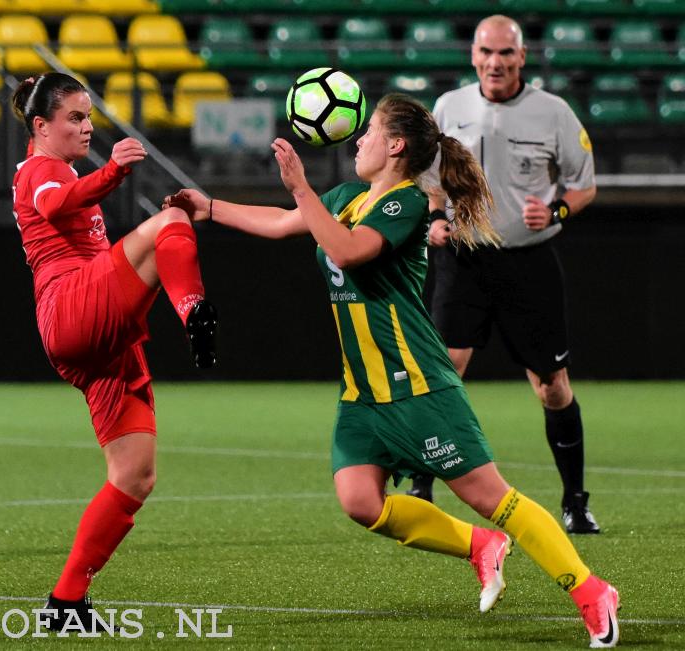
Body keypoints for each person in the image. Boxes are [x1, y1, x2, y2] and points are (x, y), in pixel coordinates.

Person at [164, 94, 619, 647]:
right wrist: (208, 207)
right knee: (360, 501)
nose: (358, 141)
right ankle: (479, 547)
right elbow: (287, 223)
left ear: (395, 146)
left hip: (418, 387)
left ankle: (592, 591)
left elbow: (350, 250)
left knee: (494, 497)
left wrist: (303, 190)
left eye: (370, 133)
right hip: (362, 394)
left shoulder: (405, 203)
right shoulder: (350, 195)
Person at [10, 72, 218, 629]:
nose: (86, 126)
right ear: (40, 125)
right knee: (170, 223)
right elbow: (57, 207)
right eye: (75, 117)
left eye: (88, 116)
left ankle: (66, 604)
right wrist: (115, 170)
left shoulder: (60, 167)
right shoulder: (41, 169)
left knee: (134, 475)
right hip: (70, 307)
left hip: (95, 334)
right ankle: (193, 310)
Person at [407, 15, 600, 536]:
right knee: (444, 368)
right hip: (463, 261)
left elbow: (583, 186)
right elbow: (432, 183)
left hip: (527, 262)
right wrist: (436, 219)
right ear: (473, 55)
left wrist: (557, 211)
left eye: (506, 54)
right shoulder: (449, 107)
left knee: (552, 386)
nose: (495, 63)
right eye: (487, 52)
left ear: (522, 57)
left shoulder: (553, 113)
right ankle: (422, 483)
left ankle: (575, 502)